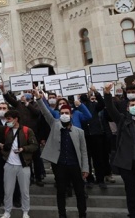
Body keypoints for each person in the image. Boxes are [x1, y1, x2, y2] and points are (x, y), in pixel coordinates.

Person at [35, 89, 88, 218]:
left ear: (71, 115)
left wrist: (85, 168)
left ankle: (82, 214)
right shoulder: (54, 124)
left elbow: (84, 151)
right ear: (59, 114)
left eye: (67, 113)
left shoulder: (79, 132)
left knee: (80, 192)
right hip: (60, 165)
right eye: (62, 113)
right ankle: (62, 215)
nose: (64, 114)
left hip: (75, 165)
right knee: (61, 191)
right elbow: (45, 112)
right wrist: (38, 98)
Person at [104, 83, 135, 218]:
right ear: (128, 109)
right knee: (131, 192)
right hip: (128, 165)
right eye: (132, 106)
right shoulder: (123, 120)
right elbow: (110, 109)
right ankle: (133, 214)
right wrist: (107, 94)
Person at [0, 108, 38, 218]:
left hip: (23, 165)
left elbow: (35, 145)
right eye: (6, 119)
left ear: (16, 119)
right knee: (8, 190)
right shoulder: (6, 129)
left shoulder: (27, 130)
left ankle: (25, 211)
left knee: (25, 191)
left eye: (9, 119)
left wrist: (23, 149)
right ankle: (7, 211)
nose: (7, 121)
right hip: (9, 164)